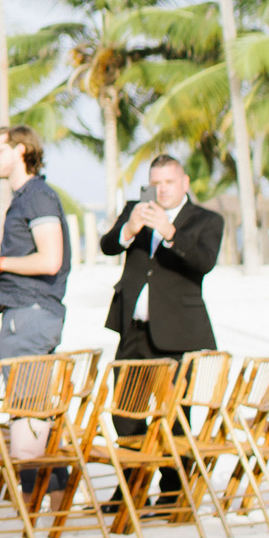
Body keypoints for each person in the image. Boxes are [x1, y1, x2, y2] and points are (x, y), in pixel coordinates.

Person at [102, 154, 225, 455]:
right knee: (125, 414)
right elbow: (108, 246)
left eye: (169, 181)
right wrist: (129, 229)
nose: (163, 189)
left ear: (185, 183)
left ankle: (175, 484)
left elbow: (204, 262)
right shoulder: (135, 210)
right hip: (132, 331)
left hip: (177, 334)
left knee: (174, 419)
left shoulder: (207, 219)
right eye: (156, 182)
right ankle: (133, 481)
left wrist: (170, 232)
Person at [0, 126, 71, 358]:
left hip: (31, 312)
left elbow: (50, 261)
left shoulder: (37, 195)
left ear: (20, 150)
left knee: (26, 385)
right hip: (27, 312)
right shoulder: (26, 196)